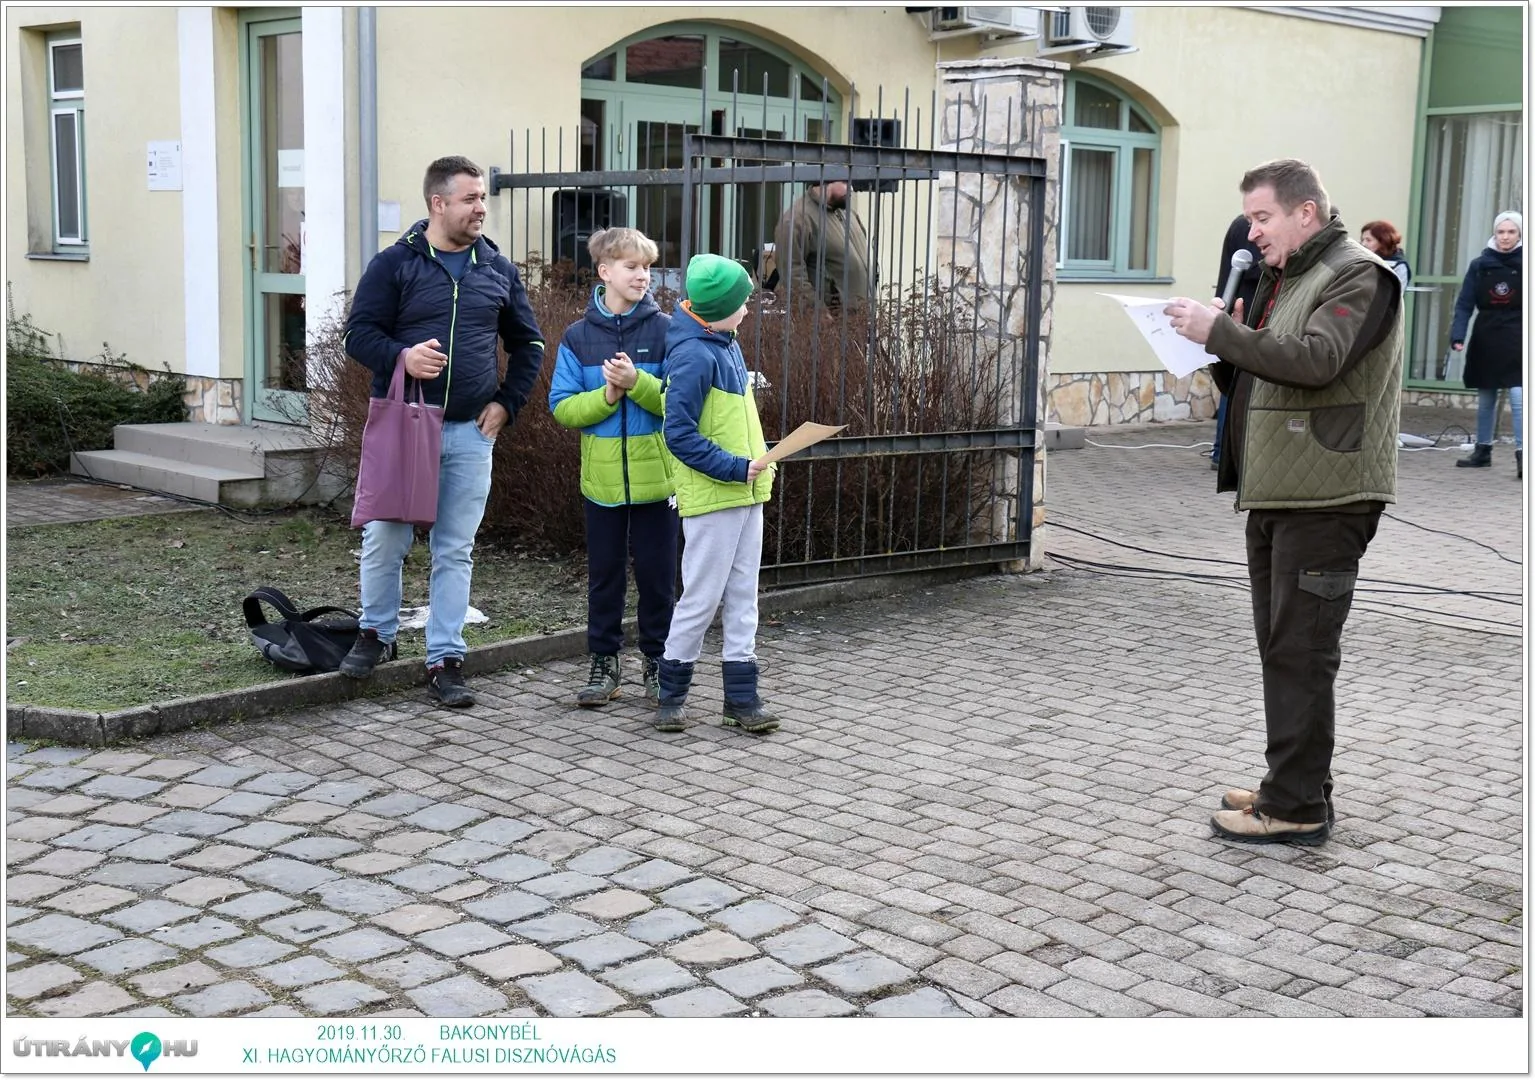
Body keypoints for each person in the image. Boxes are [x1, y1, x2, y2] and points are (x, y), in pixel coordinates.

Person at [1164, 158, 1403, 846]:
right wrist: (1218, 345)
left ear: (1305, 212)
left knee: (1300, 650)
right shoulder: (1286, 279)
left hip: (1328, 495)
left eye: (1262, 217)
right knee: (1283, 647)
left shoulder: (1358, 274)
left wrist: (1223, 333)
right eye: (1249, 218)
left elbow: (1316, 361)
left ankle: (1294, 809)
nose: (1252, 230)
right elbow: (1263, 368)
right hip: (1280, 488)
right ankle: (1291, 785)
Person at [340, 156, 546, 707]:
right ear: (438, 203)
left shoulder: (497, 270)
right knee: (386, 537)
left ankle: (445, 658)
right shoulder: (395, 264)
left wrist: (508, 403)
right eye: (470, 199)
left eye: (483, 198)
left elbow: (529, 345)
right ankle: (375, 635)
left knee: (455, 550)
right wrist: (401, 356)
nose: (482, 207)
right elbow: (357, 335)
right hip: (406, 427)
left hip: (470, 434)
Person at [549, 228, 677, 707]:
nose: (643, 276)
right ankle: (603, 663)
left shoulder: (667, 331)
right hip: (600, 484)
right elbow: (561, 407)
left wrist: (637, 381)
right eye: (632, 267)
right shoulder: (577, 338)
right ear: (605, 272)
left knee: (659, 578)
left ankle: (659, 662)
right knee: (604, 578)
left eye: (647, 266)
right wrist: (605, 395)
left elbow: (681, 403)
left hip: (658, 484)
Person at [652, 254, 780, 735]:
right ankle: (671, 696)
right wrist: (735, 467)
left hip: (748, 491)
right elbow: (679, 434)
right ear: (718, 308)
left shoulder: (725, 344)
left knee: (744, 596)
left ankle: (742, 702)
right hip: (715, 495)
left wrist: (760, 456)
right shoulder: (693, 355)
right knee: (701, 598)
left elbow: (729, 423)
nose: (748, 310)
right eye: (742, 303)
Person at [1450, 211, 1523, 479]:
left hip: (1519, 334)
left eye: (1511, 232)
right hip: (1487, 335)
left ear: (1520, 234)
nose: (1505, 237)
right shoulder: (1480, 265)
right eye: (1501, 232)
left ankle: (1523, 455)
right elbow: (1465, 303)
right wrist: (1458, 334)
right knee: (1486, 398)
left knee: (1519, 397)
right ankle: (1482, 451)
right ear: (1495, 234)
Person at [1209, 214, 1263, 470]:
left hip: (1244, 322)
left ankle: (1224, 451)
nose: (1255, 234)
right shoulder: (1243, 228)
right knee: (1234, 386)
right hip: (1246, 316)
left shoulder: (1240, 225)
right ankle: (1224, 450)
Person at [772, 180, 873, 311]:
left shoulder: (847, 214)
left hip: (859, 317)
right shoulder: (797, 219)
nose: (851, 189)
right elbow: (792, 276)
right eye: (845, 183)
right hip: (830, 321)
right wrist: (819, 314)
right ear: (827, 180)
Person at [1360, 220, 1412, 289]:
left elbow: (1395, 295)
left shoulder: (1398, 266)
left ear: (1383, 241)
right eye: (1362, 240)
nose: (1363, 244)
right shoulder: (1361, 261)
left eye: (1368, 240)